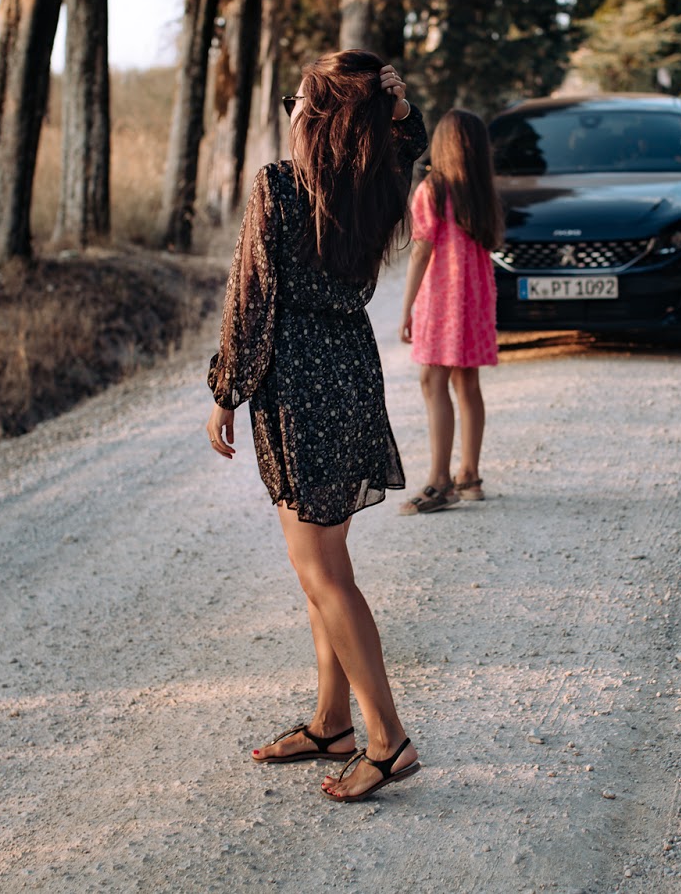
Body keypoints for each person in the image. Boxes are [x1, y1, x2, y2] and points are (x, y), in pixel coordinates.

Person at [205, 49, 426, 803]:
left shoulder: (280, 186)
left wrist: (225, 388)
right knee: (324, 564)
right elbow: (406, 140)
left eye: (301, 100)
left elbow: (251, 295)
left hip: (298, 383)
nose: (292, 111)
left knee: (322, 572)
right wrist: (396, 111)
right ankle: (332, 720)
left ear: (322, 115)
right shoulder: (374, 186)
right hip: (349, 372)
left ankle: (387, 740)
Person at [398, 109, 503, 513]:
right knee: (466, 384)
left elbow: (421, 250)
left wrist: (407, 308)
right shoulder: (481, 191)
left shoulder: (432, 188)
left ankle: (440, 482)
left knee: (432, 380)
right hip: (475, 298)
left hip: (443, 299)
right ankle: (469, 476)